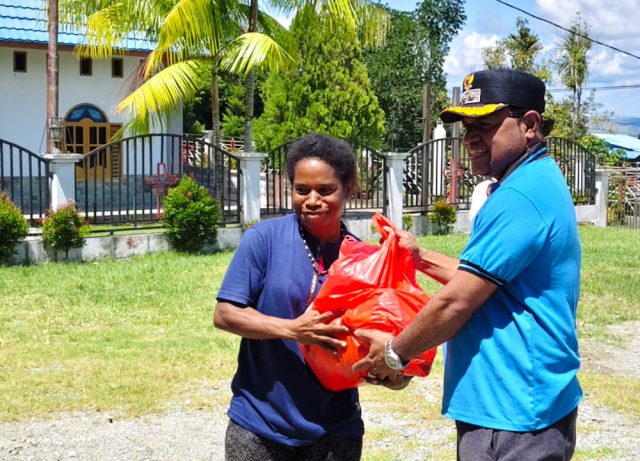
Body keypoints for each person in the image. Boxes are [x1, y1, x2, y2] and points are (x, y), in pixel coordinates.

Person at [354, 69, 583, 461]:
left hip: (513, 416)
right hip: (518, 406)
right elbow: (485, 279)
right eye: (466, 127)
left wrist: (394, 354)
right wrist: (419, 257)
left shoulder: (519, 196)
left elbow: (457, 301)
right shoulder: (533, 180)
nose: (471, 138)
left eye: (486, 125)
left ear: (529, 124)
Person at [213, 134, 405, 461]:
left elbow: (380, 338)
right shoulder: (264, 239)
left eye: (325, 190)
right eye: (301, 190)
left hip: (335, 428)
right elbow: (225, 314)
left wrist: (392, 372)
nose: (312, 200)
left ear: (349, 187)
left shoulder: (366, 260)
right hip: (259, 423)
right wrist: (292, 329)